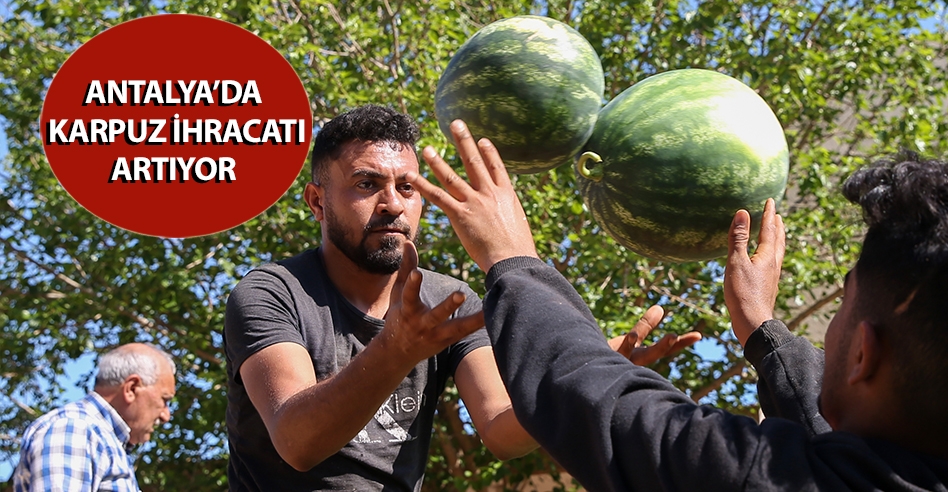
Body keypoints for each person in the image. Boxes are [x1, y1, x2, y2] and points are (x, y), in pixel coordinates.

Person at [410, 122, 948, 491]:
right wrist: (763, 331)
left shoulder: (752, 479)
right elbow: (850, 452)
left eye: (844, 304)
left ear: (863, 353)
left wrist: (511, 260)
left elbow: (592, 397)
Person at [223, 105, 698, 491]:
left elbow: (500, 429)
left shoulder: (450, 298)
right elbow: (297, 441)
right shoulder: (271, 291)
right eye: (367, 184)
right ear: (317, 201)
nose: (392, 204)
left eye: (407, 188)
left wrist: (581, 386)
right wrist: (396, 350)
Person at [13, 343, 177, 492]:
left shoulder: (102, 440)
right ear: (131, 388)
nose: (165, 415)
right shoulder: (75, 428)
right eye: (164, 400)